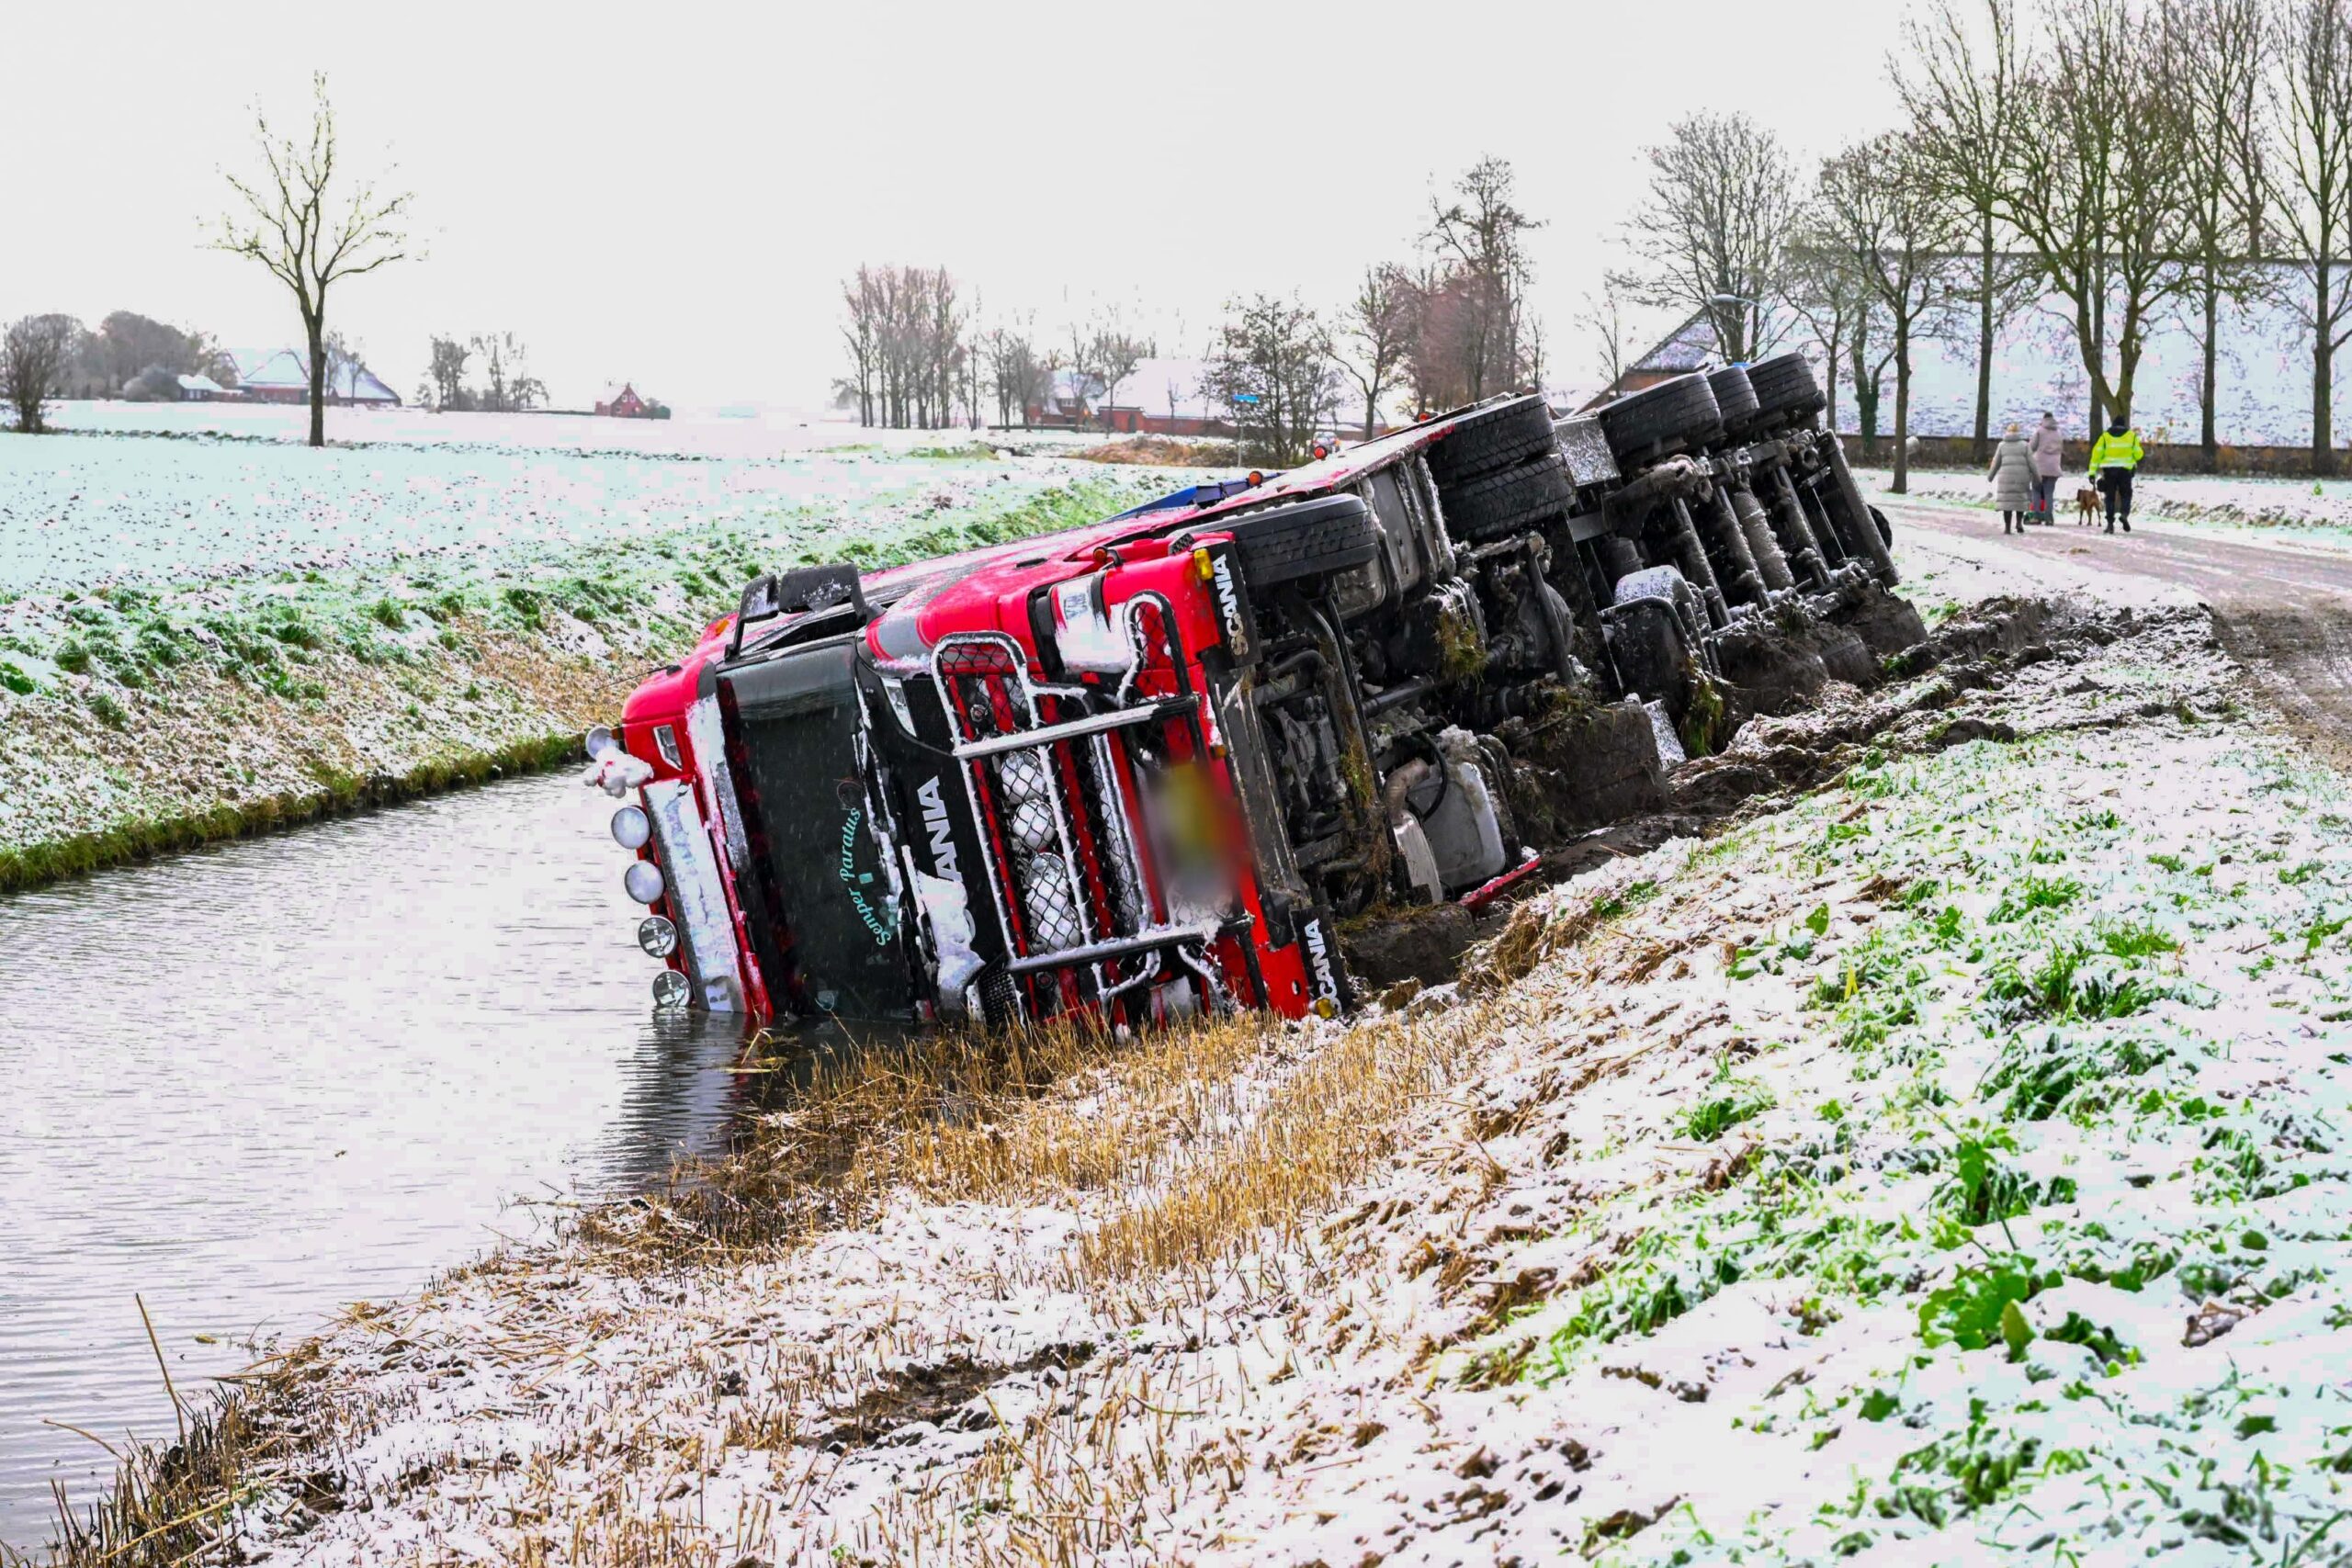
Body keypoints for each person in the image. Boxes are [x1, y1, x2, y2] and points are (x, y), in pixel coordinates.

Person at [2086, 417, 2145, 535]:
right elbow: (2138, 454)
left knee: (2110, 497)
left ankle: (2110, 524)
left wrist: (2092, 472)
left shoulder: (2105, 437)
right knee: (2126, 494)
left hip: (2109, 471)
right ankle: (2124, 514)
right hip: (2125, 471)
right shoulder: (2131, 436)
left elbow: (2096, 455)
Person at [1988, 421, 2035, 535]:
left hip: (2005, 477)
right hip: (2021, 476)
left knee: (2007, 503)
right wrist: (2037, 476)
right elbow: (2031, 462)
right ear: (2018, 432)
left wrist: (1991, 476)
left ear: (2007, 432)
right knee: (2020, 501)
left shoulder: (2002, 445)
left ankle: (2007, 527)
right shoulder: (2025, 445)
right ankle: (2019, 523)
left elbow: (1996, 462)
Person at [2027, 411, 2064, 525]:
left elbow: (2031, 447)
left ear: (2044, 419)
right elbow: (2061, 448)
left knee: (2036, 491)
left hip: (2039, 467)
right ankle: (2049, 518)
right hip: (2054, 467)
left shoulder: (2039, 431)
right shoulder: (2059, 433)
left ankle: (2037, 516)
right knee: (2049, 493)